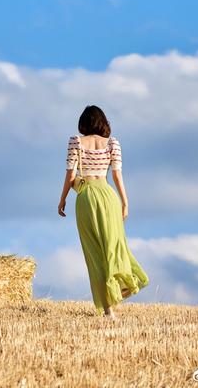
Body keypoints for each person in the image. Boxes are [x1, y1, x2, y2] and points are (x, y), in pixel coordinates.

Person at [57, 105, 149, 319]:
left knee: (94, 252)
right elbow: (117, 176)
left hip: (87, 197)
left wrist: (62, 199)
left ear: (83, 123)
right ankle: (126, 284)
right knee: (115, 246)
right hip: (108, 196)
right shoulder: (113, 143)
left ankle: (108, 309)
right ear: (103, 122)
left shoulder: (75, 142)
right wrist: (125, 202)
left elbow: (70, 176)